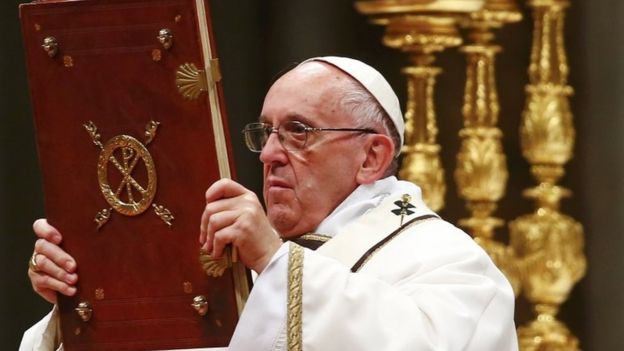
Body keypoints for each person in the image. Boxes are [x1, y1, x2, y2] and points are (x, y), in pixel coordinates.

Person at [21, 56, 518, 350]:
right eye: (267, 132)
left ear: (372, 156)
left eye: (299, 131)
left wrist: (274, 262)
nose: (272, 154)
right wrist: (78, 305)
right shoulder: (235, 262)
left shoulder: (447, 261)